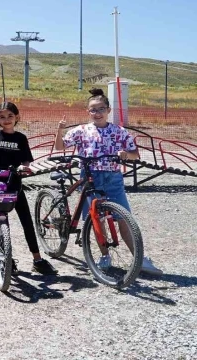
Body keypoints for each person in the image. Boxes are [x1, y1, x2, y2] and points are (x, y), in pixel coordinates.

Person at [55, 88, 162, 276]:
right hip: (91, 178)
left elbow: (135, 154)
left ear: (108, 110)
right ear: (88, 111)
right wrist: (60, 130)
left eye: (101, 109)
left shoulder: (119, 131)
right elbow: (60, 147)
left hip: (113, 178)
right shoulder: (81, 131)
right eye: (93, 110)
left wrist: (125, 154)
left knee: (124, 218)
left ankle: (139, 258)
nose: (97, 113)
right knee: (97, 219)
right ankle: (105, 256)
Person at [0, 96, 58, 275]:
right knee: (1, 222)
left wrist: (25, 167)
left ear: (17, 117)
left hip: (15, 186)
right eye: (2, 117)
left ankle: (37, 260)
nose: (6, 119)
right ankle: (5, 258)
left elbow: (26, 160)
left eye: (10, 115)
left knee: (27, 221)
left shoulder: (21, 138)